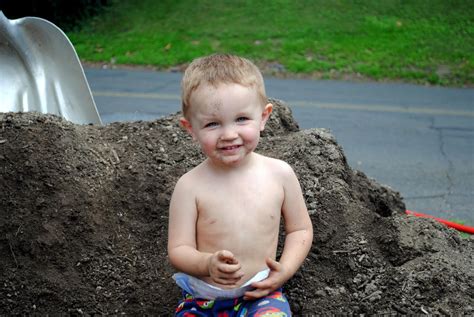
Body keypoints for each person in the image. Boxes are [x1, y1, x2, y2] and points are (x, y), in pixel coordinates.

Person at [167, 53, 313, 316]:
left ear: (264, 117)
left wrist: (285, 270)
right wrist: (207, 263)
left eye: (242, 119)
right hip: (202, 300)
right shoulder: (189, 186)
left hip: (261, 296)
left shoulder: (280, 174)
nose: (229, 134)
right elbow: (178, 250)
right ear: (190, 129)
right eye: (212, 124)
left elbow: (300, 229)